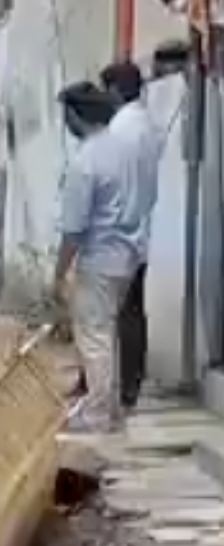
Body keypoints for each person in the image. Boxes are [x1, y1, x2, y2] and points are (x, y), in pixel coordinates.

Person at [54, 81, 150, 435]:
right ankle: (109, 409)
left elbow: (74, 228)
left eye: (66, 114)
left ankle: (97, 415)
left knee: (94, 338)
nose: (65, 122)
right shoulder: (126, 150)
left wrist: (59, 272)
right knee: (107, 333)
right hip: (128, 256)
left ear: (78, 116)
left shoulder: (86, 160)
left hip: (99, 258)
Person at [98, 59, 164, 411]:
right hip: (140, 230)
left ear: (114, 91)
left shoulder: (118, 130)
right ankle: (130, 386)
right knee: (132, 311)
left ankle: (115, 389)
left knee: (107, 313)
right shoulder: (149, 125)